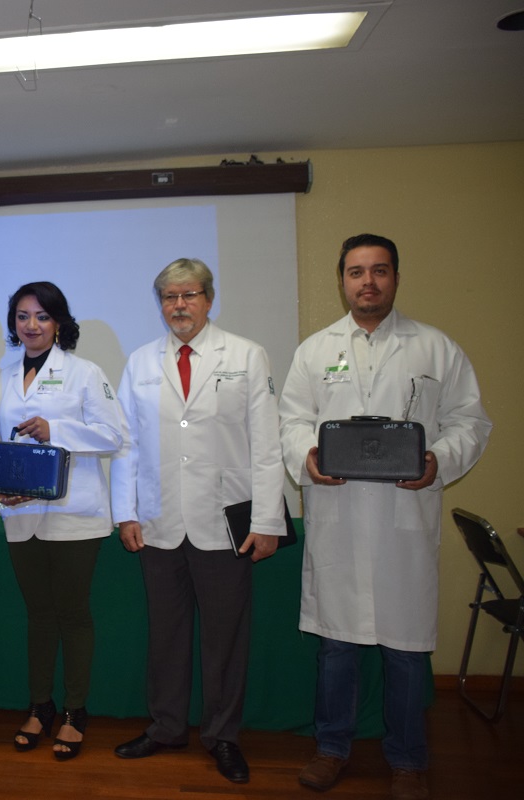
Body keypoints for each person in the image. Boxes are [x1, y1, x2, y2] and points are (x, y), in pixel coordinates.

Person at [279, 234, 491, 800]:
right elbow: (291, 421)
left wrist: (438, 461)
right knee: (336, 648)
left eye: (379, 270)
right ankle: (331, 749)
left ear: (395, 277)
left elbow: (471, 422)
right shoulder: (315, 351)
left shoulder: (435, 349)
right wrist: (307, 457)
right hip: (340, 518)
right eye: (356, 272)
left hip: (404, 522)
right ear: (342, 280)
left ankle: (408, 761)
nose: (367, 282)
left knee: (405, 650)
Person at [110, 259, 284, 784]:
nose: (179, 305)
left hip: (225, 522)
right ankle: (166, 726)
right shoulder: (141, 361)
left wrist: (267, 520)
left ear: (209, 299)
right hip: (159, 521)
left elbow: (267, 445)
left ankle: (223, 736)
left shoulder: (246, 355)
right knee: (166, 635)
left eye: (189, 295)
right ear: (160, 303)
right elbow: (127, 445)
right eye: (170, 296)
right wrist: (126, 512)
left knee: (225, 639)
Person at [0, 281, 124, 761]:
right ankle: (40, 706)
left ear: (59, 323)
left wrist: (57, 430)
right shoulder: (2, 376)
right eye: (23, 316)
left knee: (72, 614)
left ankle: (75, 711)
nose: (32, 325)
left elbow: (113, 435)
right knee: (39, 615)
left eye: (42, 316)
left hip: (74, 515)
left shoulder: (85, 373)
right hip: (21, 513)